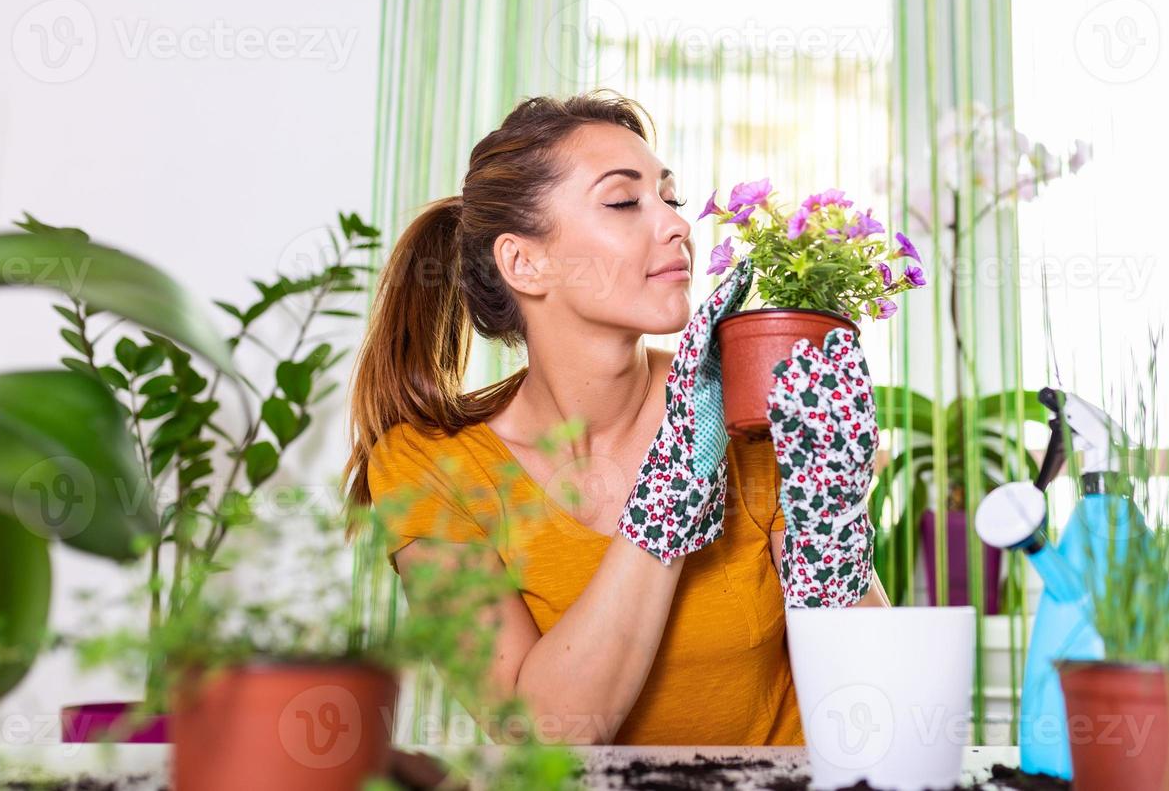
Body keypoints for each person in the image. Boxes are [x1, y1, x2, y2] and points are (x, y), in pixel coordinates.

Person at [340, 90, 887, 747]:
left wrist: (833, 525)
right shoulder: (432, 468)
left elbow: (873, 712)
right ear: (524, 262)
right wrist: (670, 499)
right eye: (625, 202)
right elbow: (538, 739)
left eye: (671, 199)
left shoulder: (751, 413)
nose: (678, 226)